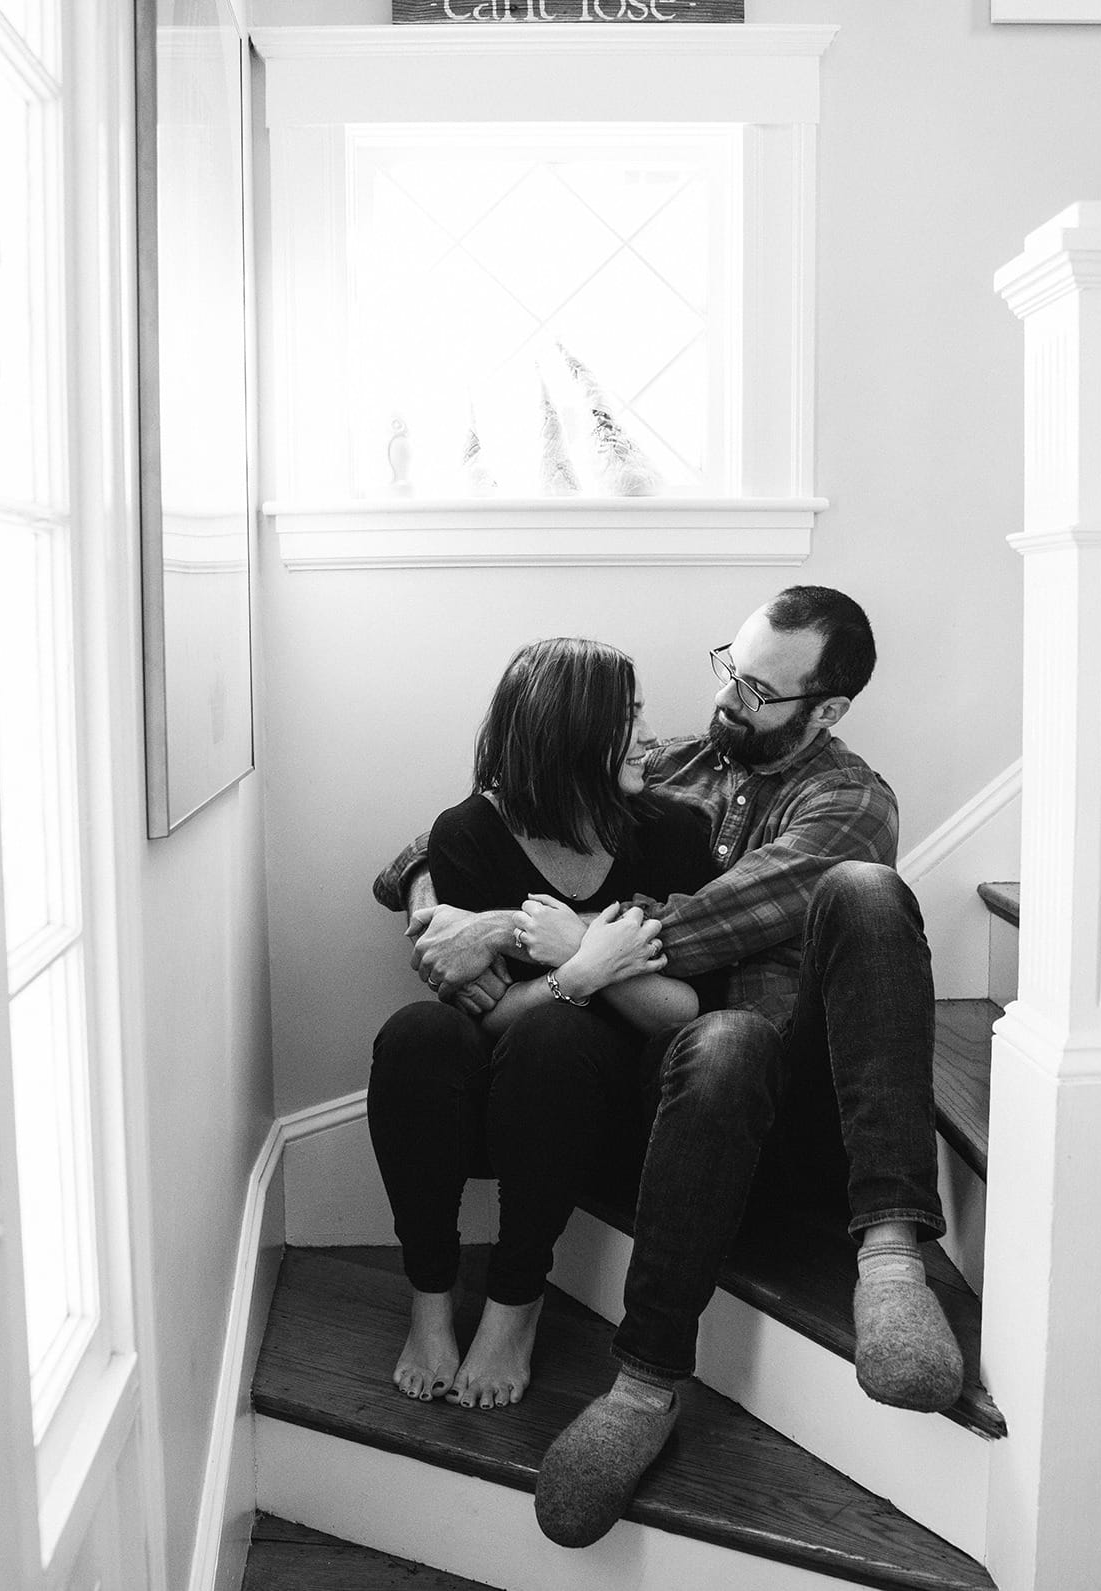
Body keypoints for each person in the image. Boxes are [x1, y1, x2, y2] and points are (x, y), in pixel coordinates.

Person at [375, 586, 957, 1548]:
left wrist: (561, 937)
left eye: (762, 690)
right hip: (681, 1088)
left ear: (828, 709)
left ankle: (891, 1253)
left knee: (861, 898)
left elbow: (713, 923)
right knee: (708, 1041)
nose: (731, 698)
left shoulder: (847, 798)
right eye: (730, 666)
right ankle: (644, 1384)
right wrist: (439, 902)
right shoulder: (677, 763)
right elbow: (510, 804)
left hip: (795, 1100)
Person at [368, 638, 718, 1411]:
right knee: (416, 1035)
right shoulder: (468, 836)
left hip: (617, 1110)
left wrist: (566, 962)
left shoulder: (674, 835)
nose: (647, 736)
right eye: (627, 719)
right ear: (570, 734)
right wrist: (584, 970)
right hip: (506, 1096)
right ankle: (429, 1298)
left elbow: (685, 1010)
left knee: (558, 1035)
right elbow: (489, 1018)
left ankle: (514, 1303)